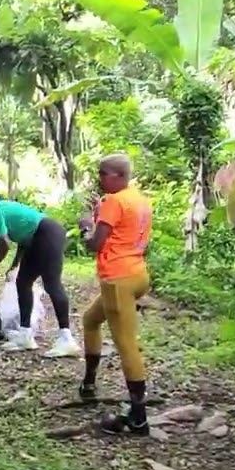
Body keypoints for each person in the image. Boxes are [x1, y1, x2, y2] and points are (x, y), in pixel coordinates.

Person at [76, 153, 154, 435]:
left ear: (119, 176)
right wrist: (99, 214)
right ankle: (89, 384)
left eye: (104, 173)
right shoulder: (138, 199)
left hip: (117, 279)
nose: (100, 178)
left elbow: (96, 244)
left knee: (126, 344)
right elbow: (121, 228)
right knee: (90, 320)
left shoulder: (114, 200)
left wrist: (85, 227)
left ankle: (138, 417)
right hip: (137, 274)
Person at [0, 188, 80, 357]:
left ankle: (66, 339)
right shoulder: (0, 207)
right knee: (23, 282)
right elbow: (23, 236)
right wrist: (15, 264)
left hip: (46, 234)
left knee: (52, 284)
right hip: (40, 236)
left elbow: (4, 244)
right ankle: (25, 335)